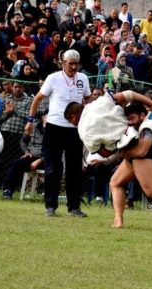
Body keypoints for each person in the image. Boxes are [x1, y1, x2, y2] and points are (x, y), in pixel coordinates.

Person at [25, 49, 91, 217]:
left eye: (76, 64)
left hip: (75, 130)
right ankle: (50, 206)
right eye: (71, 64)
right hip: (54, 127)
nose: (74, 67)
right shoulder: (53, 78)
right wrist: (30, 120)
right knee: (53, 168)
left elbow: (87, 99)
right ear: (63, 63)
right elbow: (37, 99)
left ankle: (74, 207)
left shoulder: (83, 79)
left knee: (74, 169)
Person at [2, 110, 47, 199]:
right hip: (32, 156)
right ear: (43, 117)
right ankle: (8, 190)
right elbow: (23, 141)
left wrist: (39, 160)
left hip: (47, 159)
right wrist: (26, 152)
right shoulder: (33, 127)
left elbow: (55, 150)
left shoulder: (55, 131)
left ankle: (46, 192)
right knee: (17, 163)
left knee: (55, 167)